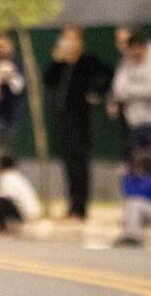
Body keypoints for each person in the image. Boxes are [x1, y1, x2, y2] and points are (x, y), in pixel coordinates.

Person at [44, 25, 112, 220]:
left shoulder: (88, 61)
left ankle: (80, 207)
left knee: (80, 163)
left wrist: (96, 92)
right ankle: (72, 205)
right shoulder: (62, 64)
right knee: (68, 164)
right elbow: (48, 80)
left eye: (71, 39)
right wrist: (56, 60)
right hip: (63, 120)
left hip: (80, 120)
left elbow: (109, 75)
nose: (67, 43)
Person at [110, 32, 151, 186]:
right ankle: (141, 198)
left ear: (144, 47)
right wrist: (134, 91)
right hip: (136, 124)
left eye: (138, 50)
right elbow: (118, 89)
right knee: (137, 169)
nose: (135, 54)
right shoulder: (126, 62)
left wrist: (129, 91)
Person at [0, 34, 25, 152]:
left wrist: (8, 77)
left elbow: (18, 87)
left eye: (2, 46)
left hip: (11, 115)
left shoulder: (18, 65)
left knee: (7, 150)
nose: (0, 50)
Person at [0, 156, 42, 229]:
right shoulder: (16, 175)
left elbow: (6, 196)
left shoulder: (6, 176)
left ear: (1, 166)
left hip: (26, 214)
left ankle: (1, 226)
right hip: (32, 211)